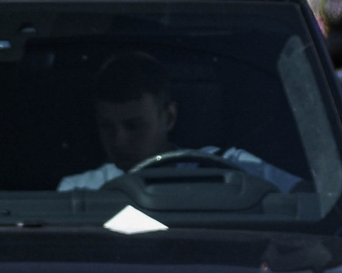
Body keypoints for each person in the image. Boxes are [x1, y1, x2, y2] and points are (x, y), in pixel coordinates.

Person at [57, 53, 300, 192]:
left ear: (169, 118)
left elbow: (308, 198)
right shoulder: (79, 191)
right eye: (107, 127)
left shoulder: (227, 168)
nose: (118, 141)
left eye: (134, 126)